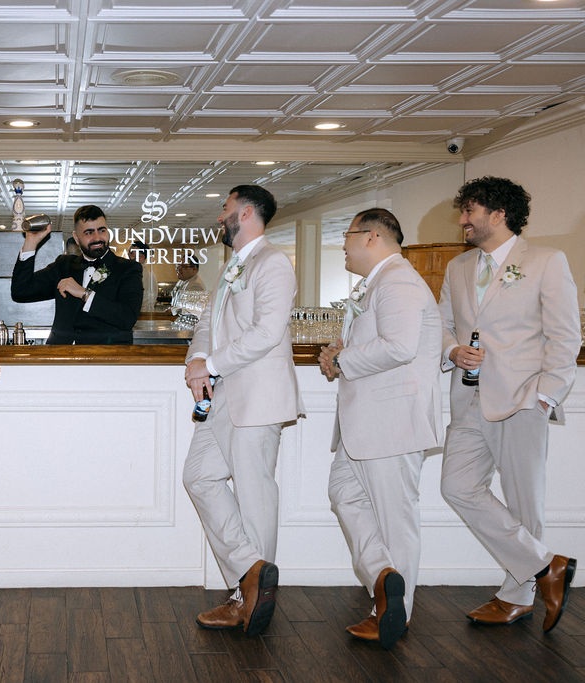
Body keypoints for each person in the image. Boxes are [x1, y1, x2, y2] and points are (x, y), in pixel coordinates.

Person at [439, 176, 580, 632]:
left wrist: (544, 395)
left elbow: (565, 336)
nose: (462, 220)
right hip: (468, 399)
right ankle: (547, 566)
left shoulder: (545, 261)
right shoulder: (458, 267)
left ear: (498, 214)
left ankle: (516, 596)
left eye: (470, 211)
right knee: (456, 486)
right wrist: (452, 351)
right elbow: (441, 325)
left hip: (522, 399)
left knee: (524, 503)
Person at [317, 208, 441, 649]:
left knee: (395, 519)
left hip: (392, 422)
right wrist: (342, 348)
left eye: (347, 237)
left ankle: (396, 613)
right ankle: (385, 579)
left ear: (371, 237)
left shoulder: (399, 281)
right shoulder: (381, 283)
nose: (343, 246)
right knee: (344, 494)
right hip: (367, 423)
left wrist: (345, 360)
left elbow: (401, 346)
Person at [182, 185, 302, 633]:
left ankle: (247, 599)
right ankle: (251, 570)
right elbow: (208, 323)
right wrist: (197, 360)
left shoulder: (273, 263)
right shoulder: (232, 266)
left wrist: (211, 362)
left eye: (226, 208)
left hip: (258, 397)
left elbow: (267, 332)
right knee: (198, 475)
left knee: (255, 497)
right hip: (222, 400)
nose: (220, 216)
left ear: (247, 212)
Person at [11, 204, 143, 344]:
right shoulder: (63, 265)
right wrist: (31, 242)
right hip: (60, 357)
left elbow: (127, 318)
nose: (97, 238)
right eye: (89, 232)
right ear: (76, 237)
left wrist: (84, 293)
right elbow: (21, 291)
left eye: (102, 230)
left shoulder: (128, 269)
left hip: (104, 361)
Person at [169, 256, 207, 328]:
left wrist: (173, 310)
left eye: (184, 266)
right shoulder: (183, 281)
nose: (179, 269)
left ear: (194, 269)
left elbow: (190, 311)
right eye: (178, 265)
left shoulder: (196, 285)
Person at [132, 239, 158, 313]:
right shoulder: (145, 271)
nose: (128, 255)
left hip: (141, 316)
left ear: (141, 257)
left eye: (131, 253)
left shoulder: (141, 274)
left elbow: (143, 300)